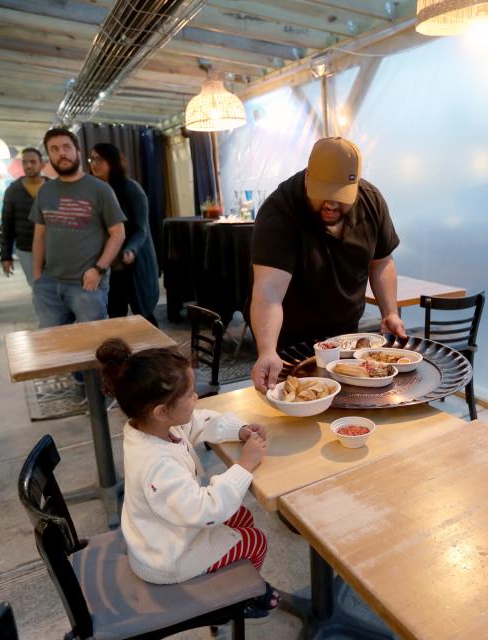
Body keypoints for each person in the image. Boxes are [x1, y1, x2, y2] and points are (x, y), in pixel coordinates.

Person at [95, 338, 280, 615]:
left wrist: (239, 430)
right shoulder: (156, 464)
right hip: (165, 558)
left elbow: (197, 421)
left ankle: (237, 581)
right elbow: (205, 510)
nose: (196, 399)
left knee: (242, 517)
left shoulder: (152, 426)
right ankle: (241, 596)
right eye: (191, 394)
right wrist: (244, 464)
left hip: (165, 532)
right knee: (256, 540)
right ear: (162, 411)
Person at [250, 137, 407, 392]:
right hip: (293, 344)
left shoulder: (371, 201)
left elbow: (381, 262)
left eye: (340, 196)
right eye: (323, 194)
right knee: (301, 411)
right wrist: (267, 350)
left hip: (347, 338)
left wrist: (389, 312)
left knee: (352, 405)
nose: (331, 204)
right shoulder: (279, 212)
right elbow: (269, 293)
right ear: (308, 177)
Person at [30, 128, 125, 329]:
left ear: (78, 152)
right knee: (53, 344)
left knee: (93, 345)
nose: (61, 153)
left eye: (66, 147)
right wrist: (37, 276)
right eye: (54, 149)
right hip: (49, 284)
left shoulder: (100, 189)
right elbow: (39, 236)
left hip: (87, 284)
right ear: (49, 156)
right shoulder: (45, 191)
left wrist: (99, 270)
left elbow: (118, 234)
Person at [88, 142, 160, 325]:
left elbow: (141, 228)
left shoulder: (131, 188)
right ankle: (120, 352)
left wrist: (131, 249)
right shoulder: (94, 190)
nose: (94, 163)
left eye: (100, 159)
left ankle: (158, 351)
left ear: (112, 162)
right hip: (109, 263)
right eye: (92, 159)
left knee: (144, 315)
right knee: (115, 315)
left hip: (134, 261)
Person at [0, 147, 45, 286]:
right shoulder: (13, 190)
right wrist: (6, 256)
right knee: (37, 288)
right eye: (25, 162)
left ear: (41, 164)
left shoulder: (53, 187)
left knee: (59, 288)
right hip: (26, 249)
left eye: (33, 162)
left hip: (53, 248)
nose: (28, 165)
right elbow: (7, 226)